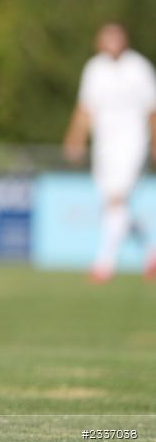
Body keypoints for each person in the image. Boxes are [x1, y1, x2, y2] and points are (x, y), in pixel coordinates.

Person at [63, 22, 156, 282]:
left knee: (116, 200)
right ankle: (151, 252)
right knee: (114, 206)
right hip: (104, 145)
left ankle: (104, 264)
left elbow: (152, 110)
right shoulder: (94, 69)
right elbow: (85, 108)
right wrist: (75, 138)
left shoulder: (139, 68)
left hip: (133, 142)